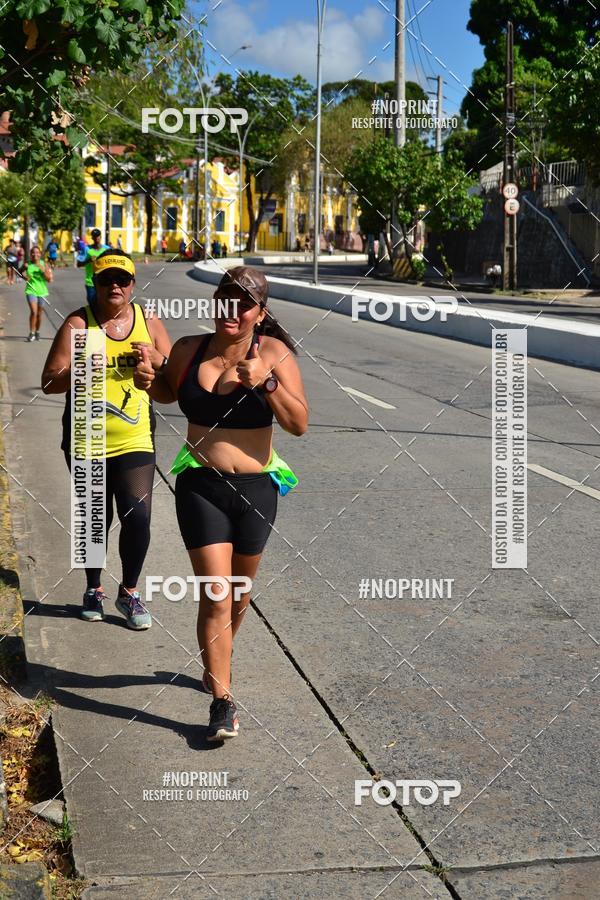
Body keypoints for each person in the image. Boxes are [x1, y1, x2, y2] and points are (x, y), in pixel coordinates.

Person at [137, 266, 308, 741]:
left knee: (239, 593)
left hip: (257, 491)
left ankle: (218, 662)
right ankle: (222, 702)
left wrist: (266, 384)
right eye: (225, 300)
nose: (233, 310)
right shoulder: (190, 349)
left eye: (244, 303)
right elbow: (168, 392)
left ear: (260, 312)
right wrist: (149, 375)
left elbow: (299, 424)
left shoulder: (273, 354)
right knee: (216, 592)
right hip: (200, 486)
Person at [41, 250, 172, 627]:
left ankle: (129, 592)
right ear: (94, 284)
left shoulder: (148, 321)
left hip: (134, 435)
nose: (115, 286)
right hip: (86, 436)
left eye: (123, 280)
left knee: (138, 515)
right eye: (106, 280)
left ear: (133, 284)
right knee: (94, 519)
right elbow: (49, 382)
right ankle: (93, 588)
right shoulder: (78, 323)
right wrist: (79, 365)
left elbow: (173, 373)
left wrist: (156, 363)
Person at [24, 245, 53, 341]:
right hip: (31, 290)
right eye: (33, 252)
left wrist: (43, 269)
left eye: (37, 252)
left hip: (42, 291)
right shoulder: (27, 264)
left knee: (39, 314)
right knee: (33, 312)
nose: (35, 254)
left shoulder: (44, 264)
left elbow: (49, 279)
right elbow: (19, 272)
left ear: (40, 254)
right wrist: (24, 276)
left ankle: (37, 332)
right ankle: (31, 333)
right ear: (30, 254)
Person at [77, 228, 109, 303]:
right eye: (94, 236)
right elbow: (78, 264)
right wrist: (88, 260)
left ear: (100, 237)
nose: (96, 238)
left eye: (97, 236)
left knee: (104, 304)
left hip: (104, 281)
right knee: (92, 306)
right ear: (92, 238)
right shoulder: (87, 249)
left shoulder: (107, 249)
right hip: (91, 282)